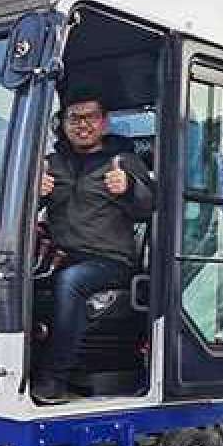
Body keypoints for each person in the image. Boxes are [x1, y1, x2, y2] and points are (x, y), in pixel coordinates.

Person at [34, 86, 154, 402]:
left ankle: (54, 379)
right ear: (62, 123)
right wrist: (35, 195)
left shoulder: (123, 161)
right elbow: (21, 212)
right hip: (59, 255)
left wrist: (129, 188)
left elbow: (150, 208)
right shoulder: (50, 163)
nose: (82, 124)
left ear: (104, 122)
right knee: (9, 276)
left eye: (90, 117)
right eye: (74, 118)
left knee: (71, 282)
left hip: (109, 260)